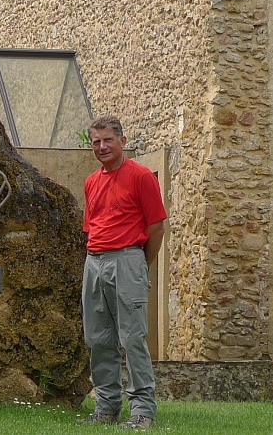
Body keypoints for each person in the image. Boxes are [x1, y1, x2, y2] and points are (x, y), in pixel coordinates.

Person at [77, 115, 167, 430]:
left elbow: (157, 229)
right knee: (97, 338)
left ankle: (142, 410)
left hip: (128, 258)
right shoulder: (91, 182)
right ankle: (106, 408)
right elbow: (92, 228)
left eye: (108, 140)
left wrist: (141, 266)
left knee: (132, 339)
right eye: (96, 142)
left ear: (122, 141)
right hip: (94, 261)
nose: (102, 147)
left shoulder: (141, 176)